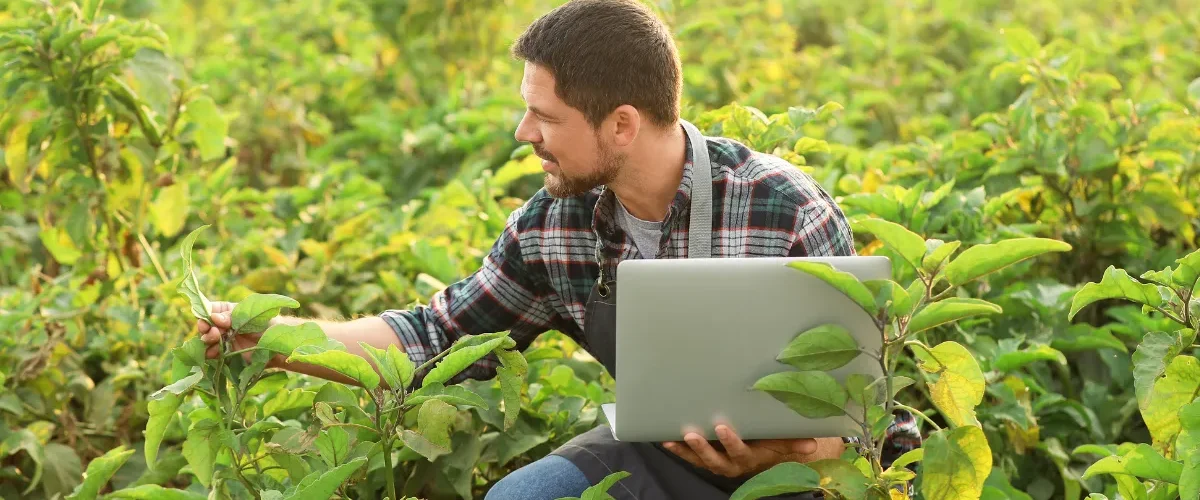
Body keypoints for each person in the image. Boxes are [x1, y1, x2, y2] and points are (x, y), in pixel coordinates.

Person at [197, 1, 921, 498]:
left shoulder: (785, 208)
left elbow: (858, 420)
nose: (522, 132)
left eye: (544, 115)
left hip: (815, 477)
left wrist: (778, 457)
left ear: (622, 125)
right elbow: (432, 338)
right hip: (665, 459)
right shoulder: (557, 224)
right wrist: (273, 338)